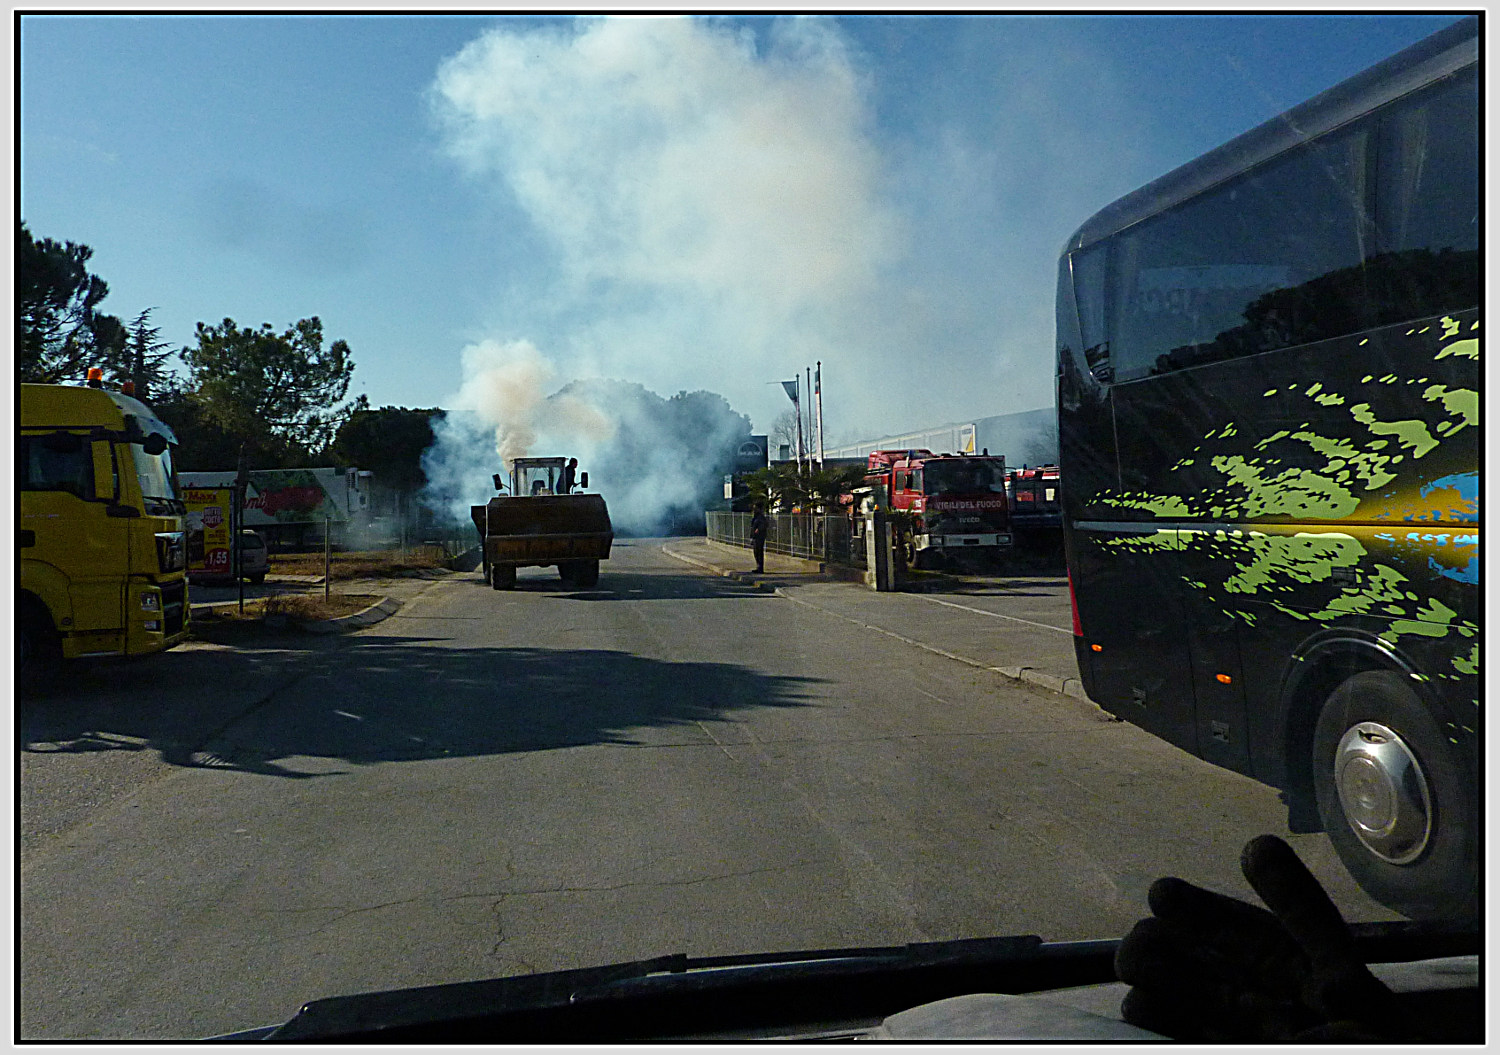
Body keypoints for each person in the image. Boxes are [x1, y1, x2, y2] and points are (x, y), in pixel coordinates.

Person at [750, 503, 768, 573]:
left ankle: (760, 568)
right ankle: (758, 566)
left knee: (759, 552)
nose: (754, 510)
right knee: (756, 552)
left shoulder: (761, 517)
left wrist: (759, 529)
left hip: (760, 537)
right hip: (755, 537)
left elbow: (764, 525)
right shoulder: (755, 517)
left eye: (755, 508)